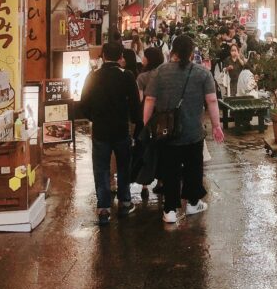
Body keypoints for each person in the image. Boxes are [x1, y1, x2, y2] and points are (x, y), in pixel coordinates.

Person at [143, 34, 225, 224]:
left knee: (169, 170)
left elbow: (149, 100)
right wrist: (216, 126)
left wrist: (147, 125)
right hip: (193, 132)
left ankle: (170, 210)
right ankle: (193, 203)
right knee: (193, 168)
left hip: (167, 133)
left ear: (173, 51)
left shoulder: (160, 72)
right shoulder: (203, 73)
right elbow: (212, 100)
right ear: (191, 53)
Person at [79, 41, 141, 226]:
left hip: (100, 130)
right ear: (121, 56)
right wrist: (136, 123)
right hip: (121, 129)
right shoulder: (127, 76)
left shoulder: (93, 76)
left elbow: (83, 105)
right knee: (123, 167)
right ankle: (125, 202)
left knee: (101, 169)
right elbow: (135, 105)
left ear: (103, 56)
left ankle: (104, 208)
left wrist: (94, 117)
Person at [135, 46, 164, 199]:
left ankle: (144, 185)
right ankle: (160, 182)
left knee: (144, 150)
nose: (143, 58)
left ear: (149, 59)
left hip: (146, 117)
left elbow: (140, 99)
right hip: (161, 117)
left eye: (145, 56)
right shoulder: (163, 74)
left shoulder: (142, 77)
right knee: (160, 149)